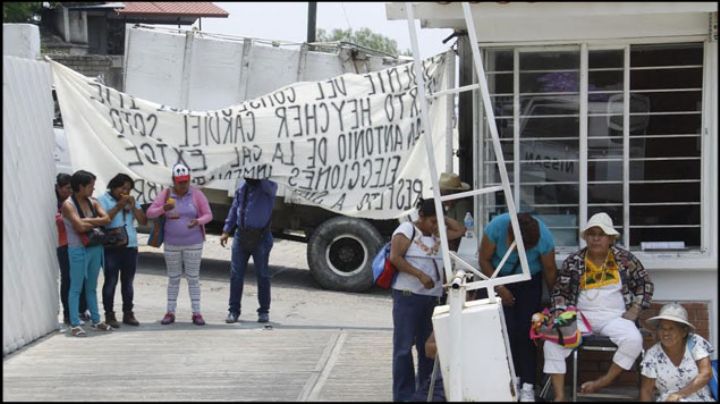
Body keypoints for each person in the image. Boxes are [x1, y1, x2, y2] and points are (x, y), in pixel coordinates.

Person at [543, 212, 654, 401]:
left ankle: (602, 381)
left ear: (610, 238)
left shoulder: (624, 259)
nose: (595, 238)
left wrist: (635, 309)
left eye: (600, 234)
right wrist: (560, 313)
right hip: (578, 316)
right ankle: (560, 397)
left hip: (615, 317)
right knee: (551, 342)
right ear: (586, 237)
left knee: (634, 340)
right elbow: (560, 292)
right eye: (591, 234)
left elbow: (645, 285)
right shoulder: (575, 260)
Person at [389, 198, 465, 401]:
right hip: (408, 294)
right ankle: (403, 395)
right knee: (404, 347)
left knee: (427, 348)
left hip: (430, 298)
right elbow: (395, 258)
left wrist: (442, 217)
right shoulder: (407, 230)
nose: (435, 225)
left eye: (437, 221)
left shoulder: (438, 234)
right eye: (432, 221)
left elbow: (460, 230)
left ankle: (424, 392)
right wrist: (419, 275)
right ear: (421, 217)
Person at [478, 211, 558, 401]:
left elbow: (550, 271)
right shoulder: (496, 227)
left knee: (527, 332)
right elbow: (483, 260)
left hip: (528, 281)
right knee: (505, 331)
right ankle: (508, 382)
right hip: (498, 276)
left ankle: (528, 385)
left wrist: (557, 304)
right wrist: (500, 288)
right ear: (510, 234)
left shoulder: (544, 237)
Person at [146, 163, 213, 326]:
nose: (183, 185)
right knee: (173, 278)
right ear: (173, 181)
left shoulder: (196, 194)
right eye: (179, 182)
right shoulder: (166, 194)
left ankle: (196, 312)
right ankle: (170, 311)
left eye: (185, 181)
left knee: (193, 278)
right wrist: (163, 208)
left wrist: (198, 221)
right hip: (172, 243)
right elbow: (149, 213)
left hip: (194, 243)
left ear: (189, 179)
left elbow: (208, 215)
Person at [61, 170, 113, 337]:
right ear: (81, 186)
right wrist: (91, 222)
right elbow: (78, 227)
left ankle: (96, 320)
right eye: (90, 185)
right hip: (78, 249)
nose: (93, 188)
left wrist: (84, 221)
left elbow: (106, 219)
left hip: (94, 247)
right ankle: (75, 323)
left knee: (91, 287)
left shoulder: (93, 201)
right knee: (76, 287)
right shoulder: (68, 205)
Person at [220, 178, 278, 324]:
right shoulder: (241, 185)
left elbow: (269, 189)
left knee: (262, 275)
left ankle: (264, 311)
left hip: (261, 237)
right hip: (241, 235)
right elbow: (235, 207)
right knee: (236, 274)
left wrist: (261, 175)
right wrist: (227, 229)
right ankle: (233, 311)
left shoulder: (268, 185)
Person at [97, 173, 147, 327]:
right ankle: (109, 314)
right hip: (112, 247)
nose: (124, 192)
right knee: (111, 281)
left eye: (128, 189)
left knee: (128, 282)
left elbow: (143, 221)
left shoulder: (132, 201)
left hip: (130, 246)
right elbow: (104, 220)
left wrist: (133, 207)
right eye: (122, 188)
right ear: (113, 186)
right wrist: (119, 205)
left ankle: (128, 313)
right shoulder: (103, 200)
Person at [640, 302, 715, 402]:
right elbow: (646, 390)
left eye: (671, 328)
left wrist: (679, 394)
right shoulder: (652, 355)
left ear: (683, 332)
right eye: (662, 328)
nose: (666, 333)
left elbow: (706, 373)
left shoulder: (695, 342)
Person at [55, 173, 89, 325]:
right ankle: (68, 313)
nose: (69, 191)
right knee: (67, 280)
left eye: (71, 188)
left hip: (79, 244)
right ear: (58, 188)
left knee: (82, 278)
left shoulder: (76, 202)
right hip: (64, 245)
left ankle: (82, 309)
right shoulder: (57, 204)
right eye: (67, 188)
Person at [438, 172, 472, 251]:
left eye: (444, 194)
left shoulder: (462, 205)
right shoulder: (450, 207)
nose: (442, 198)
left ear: (453, 193)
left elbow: (464, 229)